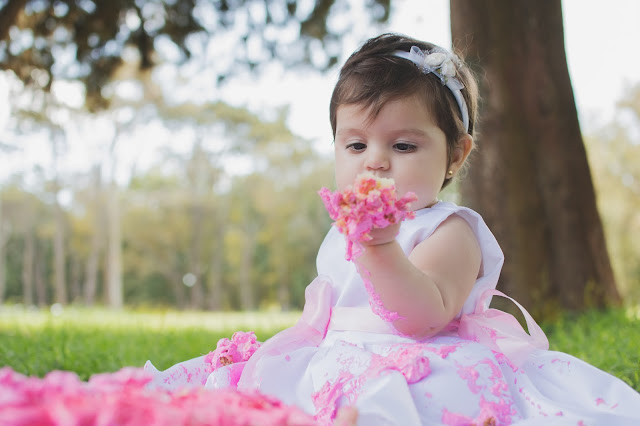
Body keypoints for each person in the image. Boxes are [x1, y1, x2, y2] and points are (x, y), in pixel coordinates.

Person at [145, 33, 640, 425]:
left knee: (412, 401)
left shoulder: (450, 230)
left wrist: (380, 249)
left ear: (455, 153)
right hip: (335, 360)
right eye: (355, 146)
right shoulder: (342, 233)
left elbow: (423, 316)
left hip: (418, 362)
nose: (376, 163)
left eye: (404, 146)